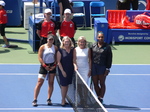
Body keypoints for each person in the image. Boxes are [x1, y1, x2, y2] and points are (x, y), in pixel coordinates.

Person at [32, 34, 58, 106]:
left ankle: (49, 99)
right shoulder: (42, 47)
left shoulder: (55, 48)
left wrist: (54, 65)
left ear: (53, 40)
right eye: (49, 39)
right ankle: (35, 99)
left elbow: (56, 57)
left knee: (51, 83)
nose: (50, 41)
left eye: (52, 39)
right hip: (44, 67)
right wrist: (44, 65)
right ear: (47, 40)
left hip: (52, 66)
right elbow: (40, 57)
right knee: (39, 83)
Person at [91, 31, 112, 104]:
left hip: (102, 67)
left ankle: (101, 97)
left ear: (104, 38)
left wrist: (107, 69)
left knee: (102, 83)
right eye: (99, 37)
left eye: (102, 37)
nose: (100, 38)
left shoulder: (107, 47)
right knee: (95, 83)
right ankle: (98, 97)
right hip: (94, 67)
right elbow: (90, 57)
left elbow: (109, 58)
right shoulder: (93, 45)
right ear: (97, 38)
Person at [57, 36, 74, 107]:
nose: (67, 43)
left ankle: (65, 99)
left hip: (70, 70)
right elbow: (58, 62)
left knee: (67, 85)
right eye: (65, 41)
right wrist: (63, 71)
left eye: (68, 41)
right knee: (64, 85)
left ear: (70, 42)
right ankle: (63, 100)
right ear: (63, 42)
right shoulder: (60, 50)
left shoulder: (73, 50)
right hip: (63, 70)